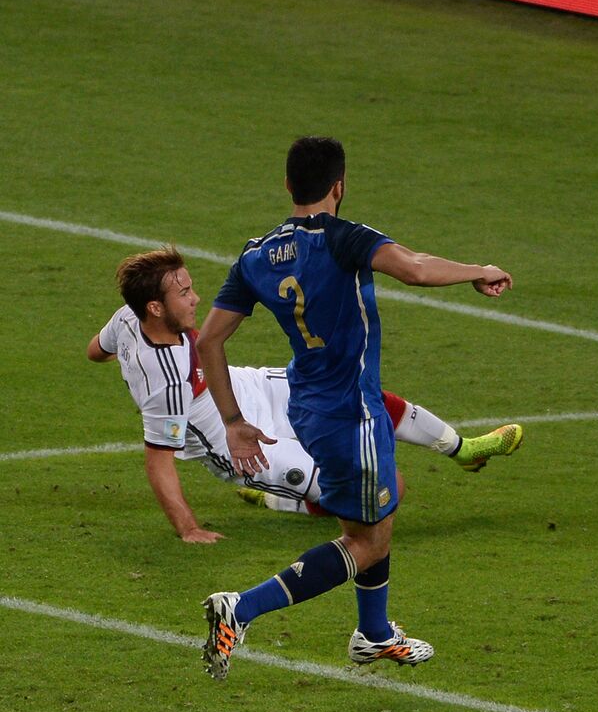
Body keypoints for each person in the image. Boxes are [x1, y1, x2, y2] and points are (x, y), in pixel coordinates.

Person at [197, 136, 515, 679]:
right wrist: (478, 269)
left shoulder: (255, 255)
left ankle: (373, 633)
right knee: (366, 541)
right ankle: (242, 608)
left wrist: (233, 422)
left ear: (288, 185)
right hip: (353, 415)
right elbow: (414, 267)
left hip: (308, 404)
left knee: (374, 515)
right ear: (339, 187)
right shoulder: (344, 238)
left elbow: (209, 342)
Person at [86, 248, 523, 543]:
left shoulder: (128, 316)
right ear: (155, 308)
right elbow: (158, 459)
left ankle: (463, 449)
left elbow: (96, 350)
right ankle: (276, 496)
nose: (196, 298)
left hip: (244, 387)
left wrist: (124, 359)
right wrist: (188, 529)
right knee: (385, 490)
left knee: (350, 389)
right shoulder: (165, 383)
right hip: (232, 441)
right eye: (184, 293)